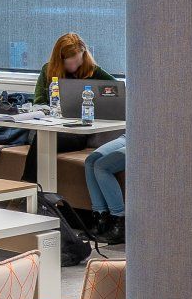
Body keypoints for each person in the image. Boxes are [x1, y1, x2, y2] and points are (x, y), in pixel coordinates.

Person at [20, 31, 118, 190]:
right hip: (47, 127)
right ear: (60, 60)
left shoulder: (93, 71)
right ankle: (34, 192)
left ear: (83, 56)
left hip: (75, 133)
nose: (73, 67)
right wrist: (51, 111)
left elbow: (117, 91)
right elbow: (38, 102)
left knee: (42, 142)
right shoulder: (48, 70)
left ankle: (27, 189)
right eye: (69, 63)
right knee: (42, 138)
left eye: (77, 62)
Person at [85, 135, 126, 242]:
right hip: (128, 135)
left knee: (102, 166)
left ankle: (119, 223)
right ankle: (100, 220)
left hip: (147, 141)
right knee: (90, 161)